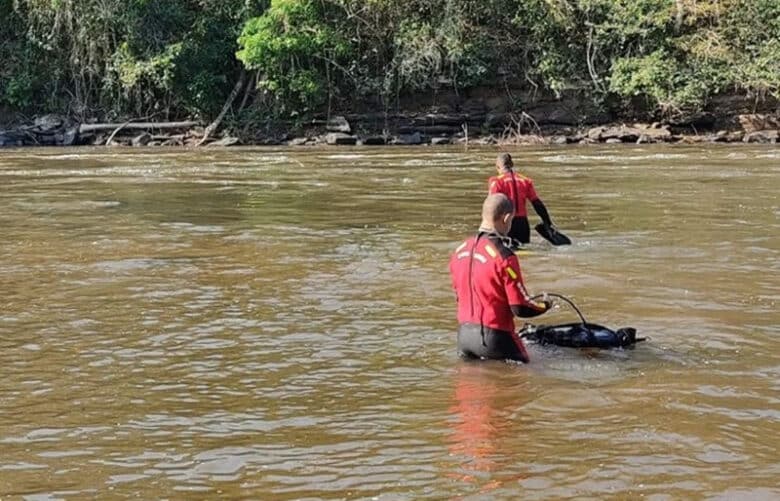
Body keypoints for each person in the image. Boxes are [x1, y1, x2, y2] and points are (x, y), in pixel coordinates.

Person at [449, 193, 552, 362]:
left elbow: (459, 296)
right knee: (523, 383)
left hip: (464, 337)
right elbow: (520, 307)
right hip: (496, 338)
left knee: (470, 386)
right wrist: (544, 305)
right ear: (506, 218)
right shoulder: (504, 256)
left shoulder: (459, 251)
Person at [488, 152, 554, 246]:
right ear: (512, 165)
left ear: (497, 167)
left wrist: (489, 227)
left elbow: (492, 205)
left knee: (506, 252)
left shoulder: (496, 181)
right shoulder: (525, 180)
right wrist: (547, 223)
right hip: (522, 224)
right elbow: (537, 203)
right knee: (524, 252)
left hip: (505, 223)